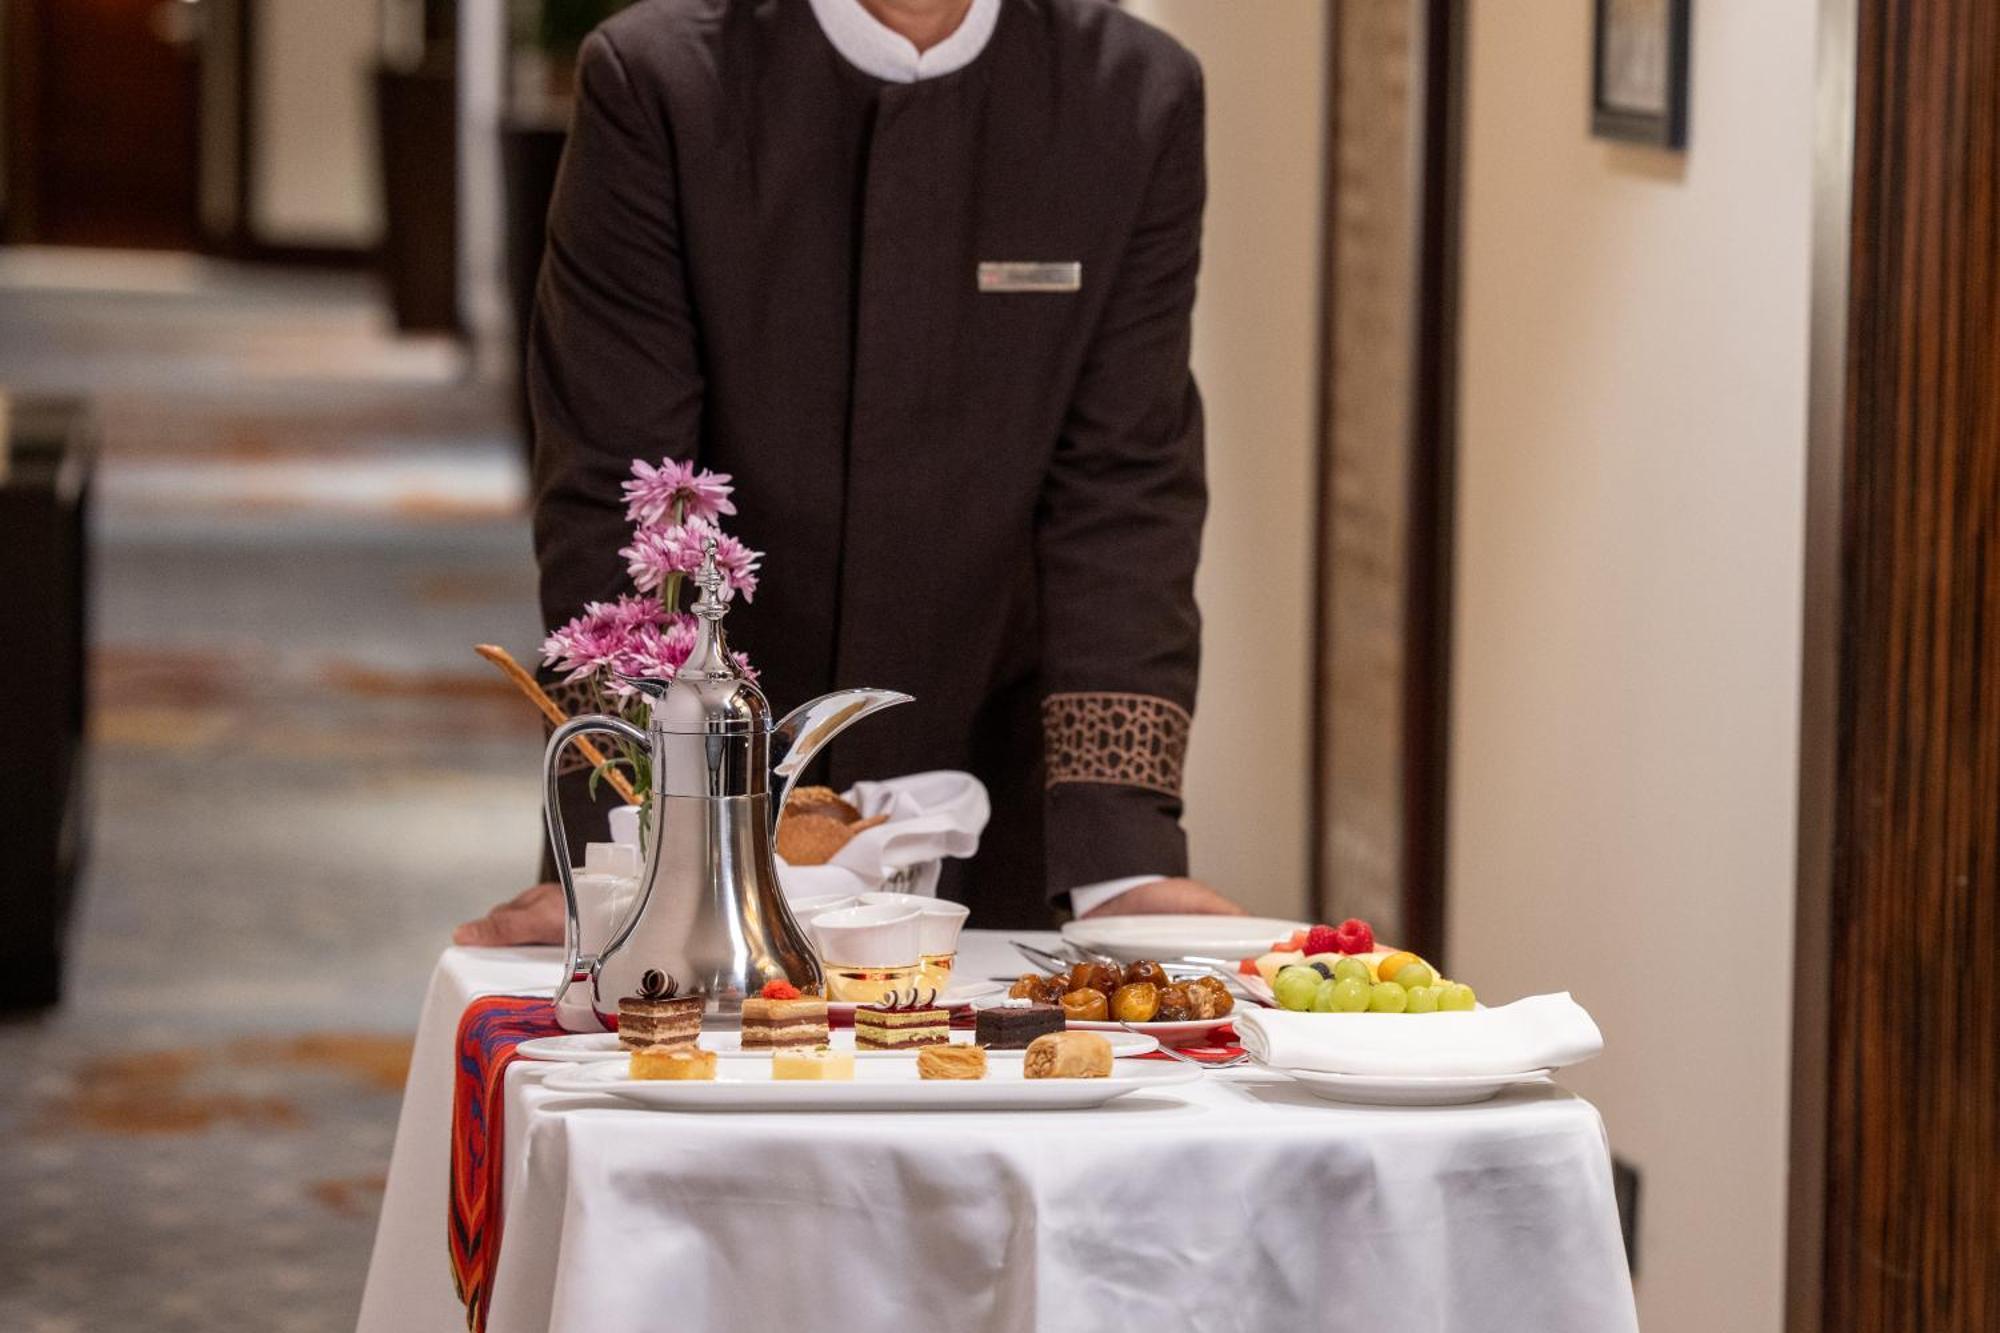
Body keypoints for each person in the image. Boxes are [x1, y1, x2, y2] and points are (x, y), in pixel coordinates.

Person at [456, 0, 1245, 946]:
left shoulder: (1130, 95)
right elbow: (622, 498)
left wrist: (1125, 858)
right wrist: (621, 841)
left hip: (1000, 788)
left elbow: (1125, 491)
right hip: (706, 804)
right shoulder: (661, 81)